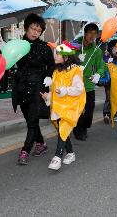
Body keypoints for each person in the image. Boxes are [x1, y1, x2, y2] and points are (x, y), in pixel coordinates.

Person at [12, 13, 55, 165]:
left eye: (38, 30)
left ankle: (25, 151)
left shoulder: (44, 47)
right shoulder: (17, 45)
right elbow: (10, 64)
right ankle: (41, 143)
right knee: (30, 120)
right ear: (26, 28)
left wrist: (49, 78)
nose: (35, 32)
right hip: (21, 87)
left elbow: (51, 65)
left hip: (37, 87)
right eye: (33, 28)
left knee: (32, 120)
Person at [40, 42, 86, 171]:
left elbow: (79, 89)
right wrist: (48, 97)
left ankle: (57, 156)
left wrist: (65, 90)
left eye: (58, 53)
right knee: (61, 130)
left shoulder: (76, 70)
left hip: (71, 107)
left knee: (63, 129)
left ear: (66, 57)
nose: (56, 55)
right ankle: (70, 153)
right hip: (58, 107)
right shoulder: (56, 71)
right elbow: (55, 91)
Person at [72, 23, 105, 141]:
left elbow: (101, 65)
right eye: (90, 33)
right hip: (75, 84)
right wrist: (75, 58)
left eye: (94, 34)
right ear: (85, 33)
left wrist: (98, 74)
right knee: (78, 109)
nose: (92, 36)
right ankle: (78, 130)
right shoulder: (74, 44)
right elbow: (64, 58)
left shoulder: (96, 50)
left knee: (90, 108)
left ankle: (84, 126)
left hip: (89, 84)